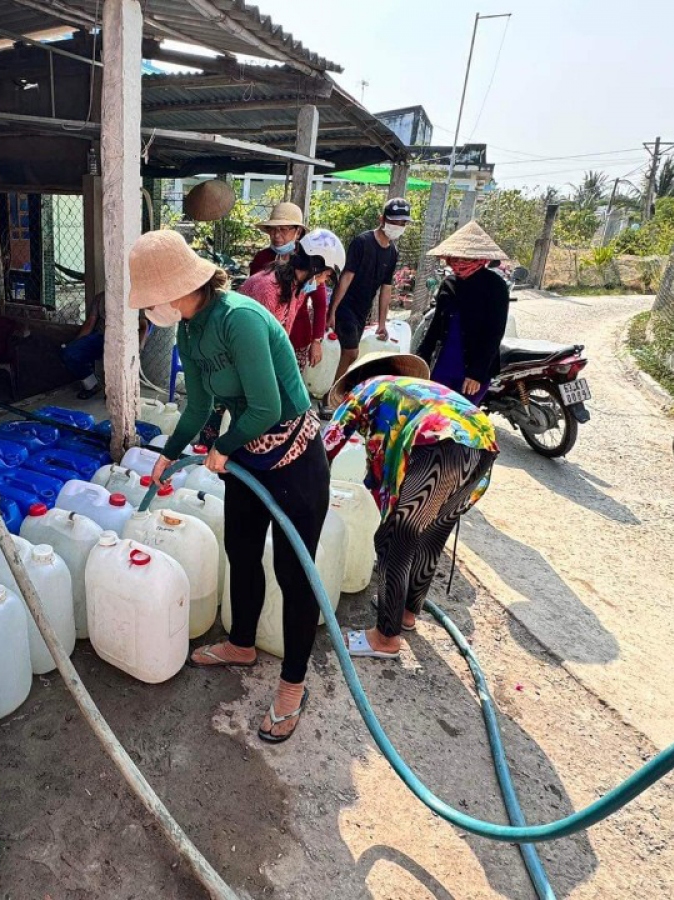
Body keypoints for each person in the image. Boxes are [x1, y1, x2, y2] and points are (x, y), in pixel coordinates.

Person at [127, 229, 330, 745]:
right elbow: (198, 406)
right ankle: (242, 642)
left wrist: (224, 446)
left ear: (176, 289)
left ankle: (292, 685)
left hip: (293, 455)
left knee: (293, 570)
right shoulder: (192, 330)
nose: (149, 310)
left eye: (150, 300)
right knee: (240, 550)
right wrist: (168, 454)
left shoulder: (238, 319)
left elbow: (265, 405)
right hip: (247, 455)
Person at [323, 352, 498, 659]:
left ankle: (385, 639)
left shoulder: (365, 390)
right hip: (481, 444)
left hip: (438, 447)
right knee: (431, 534)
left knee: (394, 539)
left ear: (355, 380)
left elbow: (328, 444)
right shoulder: (412, 390)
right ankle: (405, 613)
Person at [414, 221, 512, 404]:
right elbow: (435, 326)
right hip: (444, 365)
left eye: (466, 258)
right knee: (434, 417)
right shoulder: (449, 283)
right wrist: (421, 359)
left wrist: (476, 373)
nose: (460, 263)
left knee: (461, 422)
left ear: (481, 259)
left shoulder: (495, 286)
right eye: (456, 258)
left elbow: (494, 333)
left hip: (473, 369)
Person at [327, 197, 409, 398]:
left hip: (362, 310)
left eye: (402, 223)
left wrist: (382, 323)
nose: (398, 226)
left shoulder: (392, 252)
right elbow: (346, 278)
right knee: (351, 352)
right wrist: (333, 311)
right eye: (394, 222)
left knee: (350, 354)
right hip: (346, 305)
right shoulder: (362, 242)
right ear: (382, 219)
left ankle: (334, 391)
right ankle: (332, 396)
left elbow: (386, 289)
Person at [236, 229, 345, 370]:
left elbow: (281, 335)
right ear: (316, 269)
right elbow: (256, 344)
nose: (324, 281)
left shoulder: (297, 287)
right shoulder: (268, 288)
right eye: (327, 276)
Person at [60, 291, 108, 399]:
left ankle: (115, 391)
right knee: (70, 353)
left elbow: (144, 325)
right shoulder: (100, 297)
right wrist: (75, 343)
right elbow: (90, 322)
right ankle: (92, 385)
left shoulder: (132, 295)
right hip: (101, 337)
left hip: (122, 339)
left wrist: (139, 345)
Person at [248, 202, 307, 275]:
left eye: (283, 229)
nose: (276, 235)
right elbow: (252, 284)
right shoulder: (262, 258)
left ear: (298, 232)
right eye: (272, 229)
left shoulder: (307, 260)